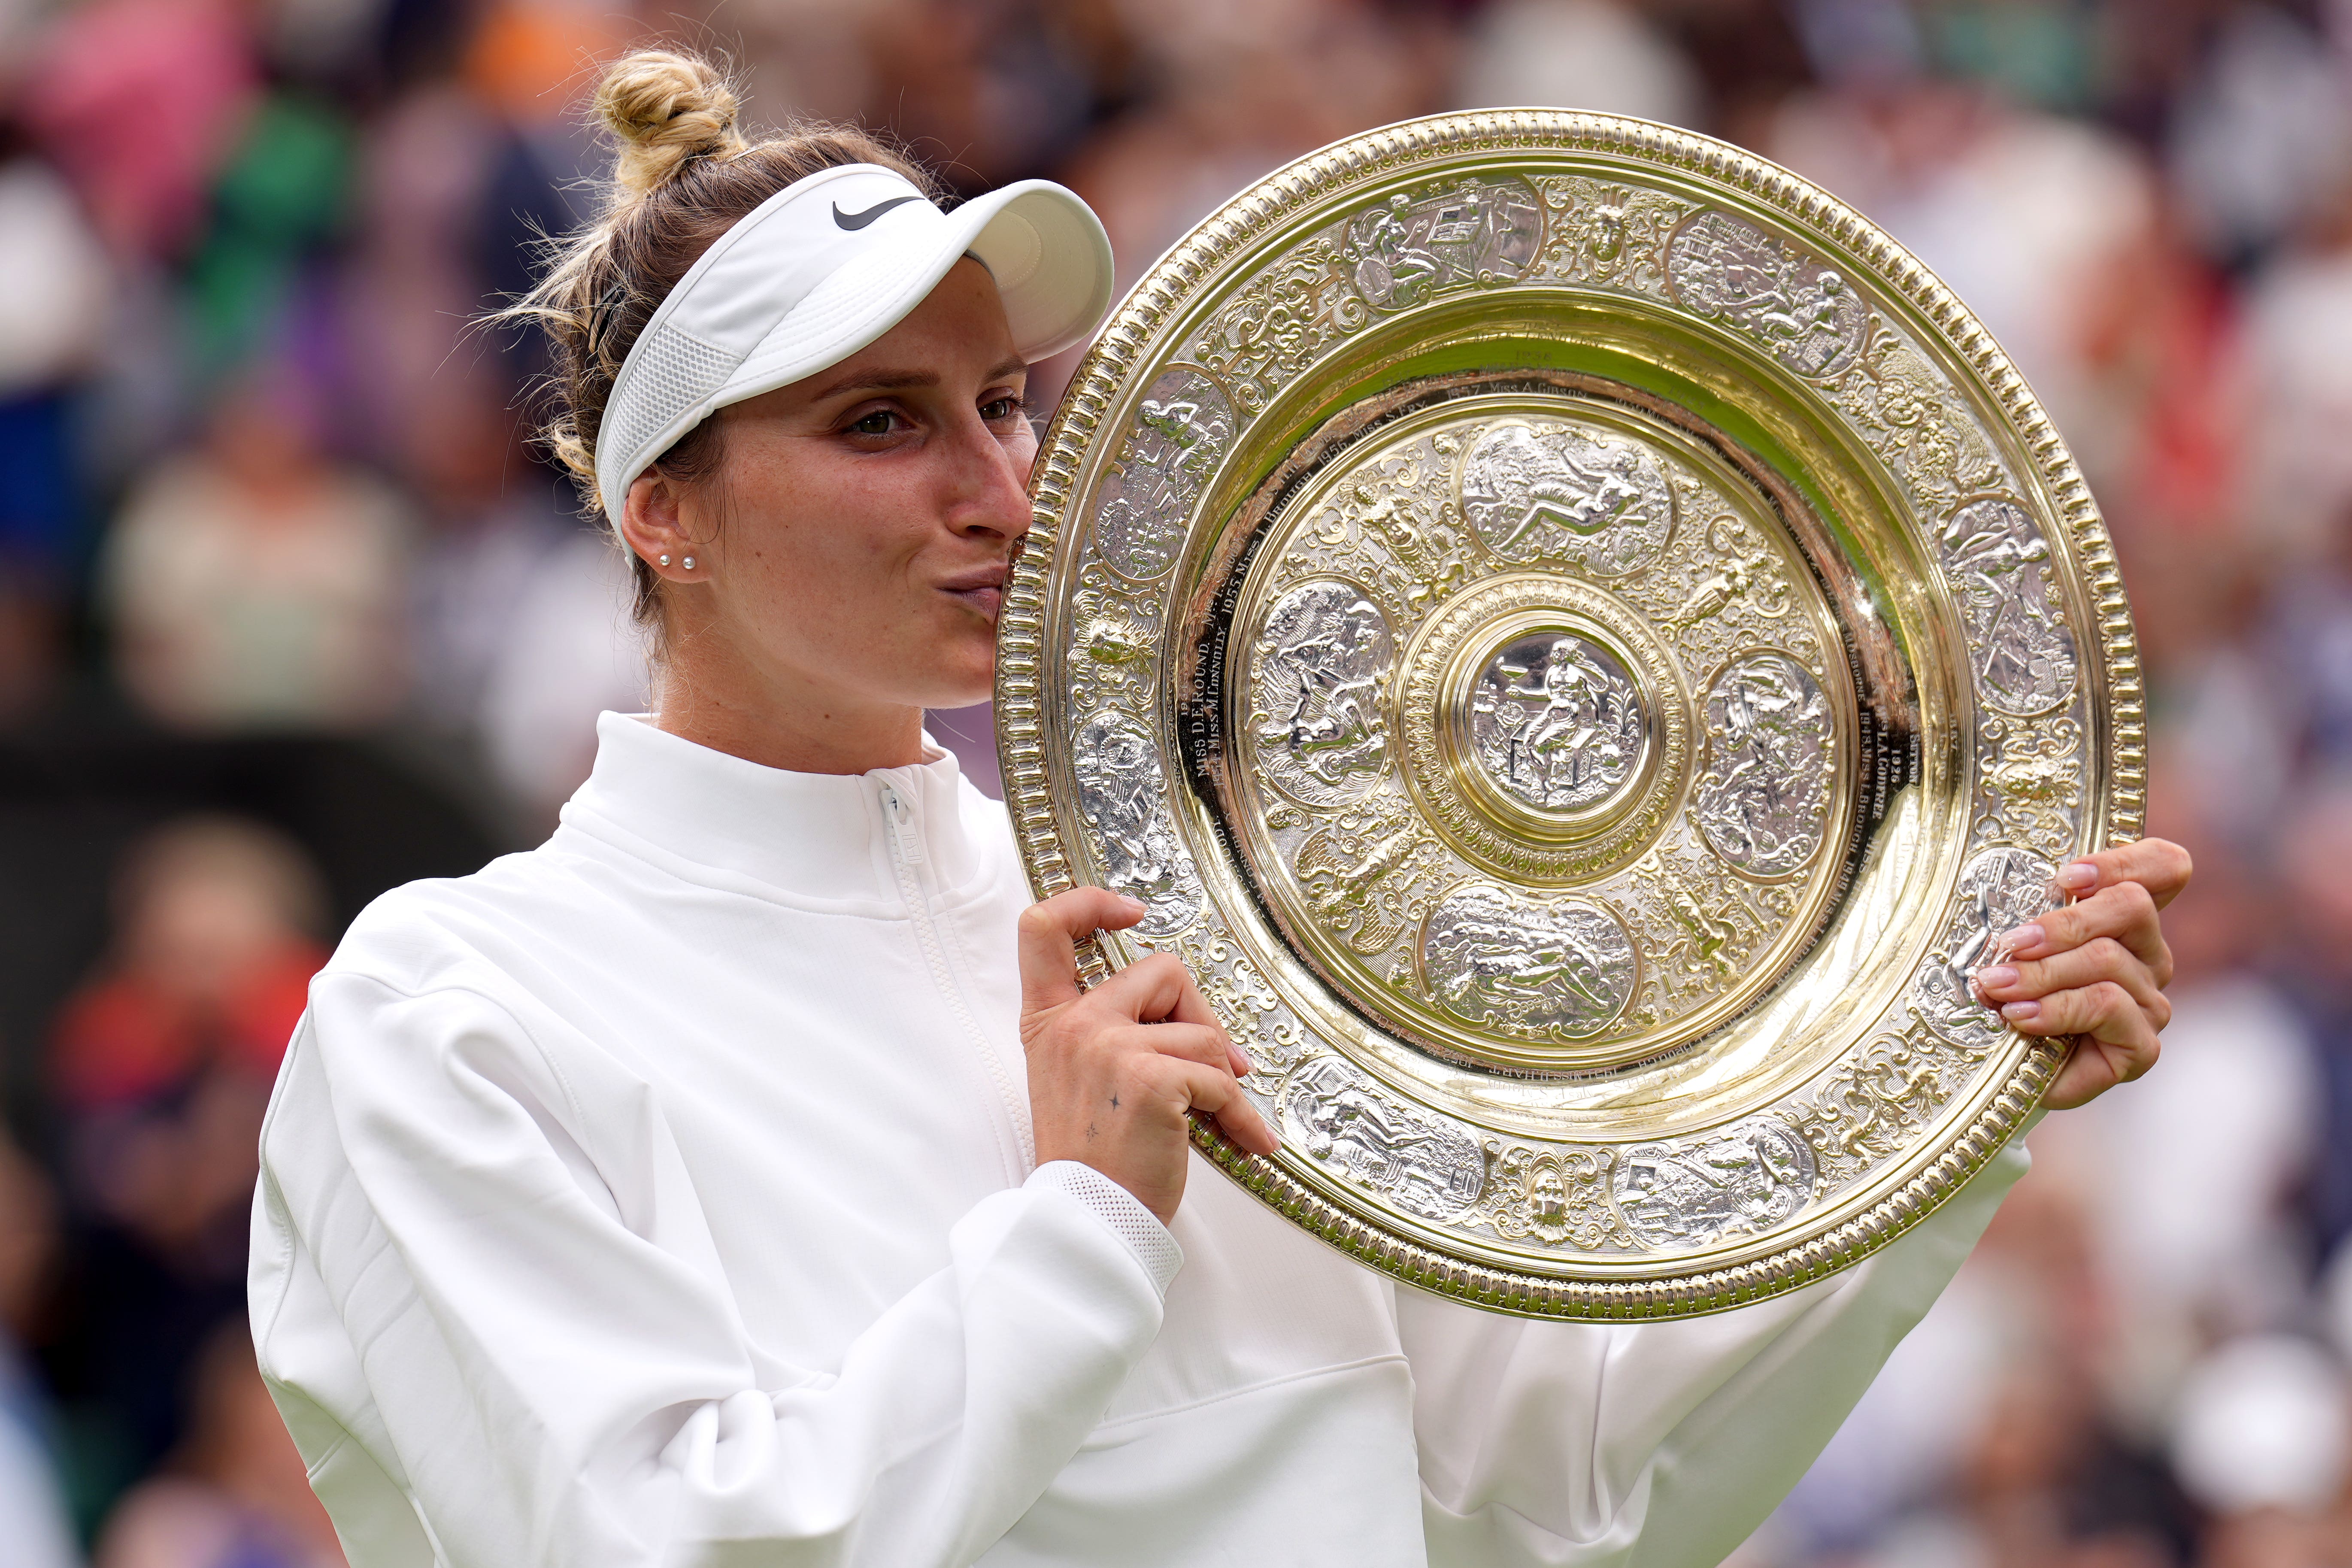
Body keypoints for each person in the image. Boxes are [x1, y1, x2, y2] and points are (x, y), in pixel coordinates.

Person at [248, 49, 2191, 1568]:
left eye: (998, 400)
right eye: (876, 423)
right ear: (655, 511)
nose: (995, 487)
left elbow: (1562, 1499)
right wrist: (1082, 1222)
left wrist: (1947, 1101)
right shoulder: (451, 1008)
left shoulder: (1194, 916)